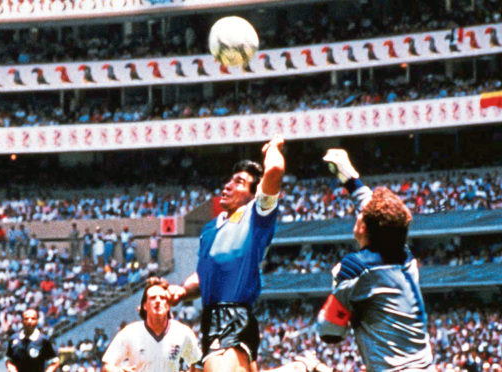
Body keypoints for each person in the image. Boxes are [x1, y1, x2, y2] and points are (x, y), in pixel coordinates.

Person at [168, 135, 330, 372]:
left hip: (233, 313)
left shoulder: (256, 216)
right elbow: (206, 277)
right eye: (229, 180)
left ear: (253, 194)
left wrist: (273, 147)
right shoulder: (210, 229)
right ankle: (299, 368)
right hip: (211, 315)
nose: (228, 185)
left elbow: (274, 169)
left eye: (239, 182)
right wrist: (182, 290)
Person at [317, 149, 434, 371]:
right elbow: (373, 210)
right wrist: (350, 177)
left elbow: (329, 333)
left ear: (363, 227)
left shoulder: (356, 268)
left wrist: (338, 287)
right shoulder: (404, 256)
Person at [102, 277, 201, 372]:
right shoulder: (130, 332)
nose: (158, 301)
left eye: (162, 298)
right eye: (153, 298)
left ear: (168, 305)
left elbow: (196, 362)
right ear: (144, 306)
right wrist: (119, 370)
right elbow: (107, 366)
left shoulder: (182, 332)